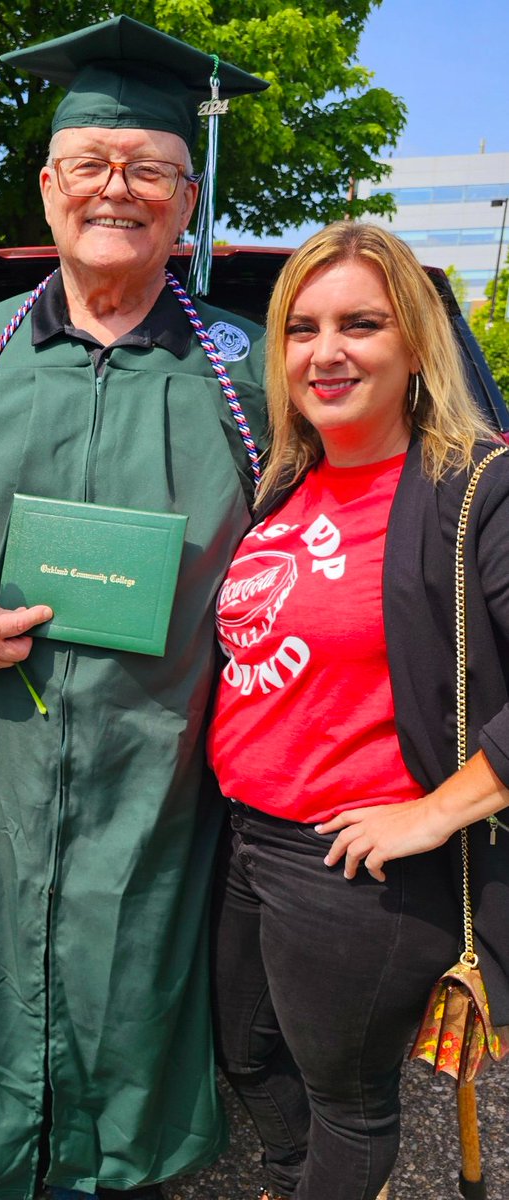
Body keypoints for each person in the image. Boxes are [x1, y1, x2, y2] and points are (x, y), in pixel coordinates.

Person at [0, 15, 269, 1200]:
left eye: (147, 170)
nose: (116, 191)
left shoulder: (241, 374)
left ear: (184, 199)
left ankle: (118, 1175)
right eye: (89, 165)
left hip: (158, 754)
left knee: (130, 969)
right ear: (47, 184)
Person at [207, 220, 509, 1200]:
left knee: (347, 1102)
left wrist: (432, 811)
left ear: (415, 344)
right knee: (245, 1056)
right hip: (245, 834)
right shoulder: (287, 486)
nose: (323, 351)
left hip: (353, 861)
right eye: (300, 328)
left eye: (359, 324)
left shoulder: (475, 488)